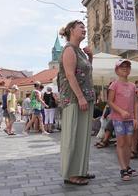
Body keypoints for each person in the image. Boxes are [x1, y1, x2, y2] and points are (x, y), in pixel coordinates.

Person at [58, 20, 95, 185]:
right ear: (71, 30)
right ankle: (71, 174)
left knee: (83, 136)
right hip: (74, 99)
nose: (84, 30)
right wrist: (80, 97)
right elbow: (70, 75)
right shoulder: (69, 50)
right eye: (81, 27)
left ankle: (81, 170)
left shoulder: (79, 51)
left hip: (85, 97)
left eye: (85, 28)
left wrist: (91, 57)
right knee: (72, 136)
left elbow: (85, 72)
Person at [108, 59, 138, 181]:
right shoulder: (114, 85)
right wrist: (121, 111)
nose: (125, 69)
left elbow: (136, 103)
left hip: (130, 119)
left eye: (127, 67)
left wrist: (136, 118)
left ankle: (128, 166)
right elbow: (110, 102)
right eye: (122, 67)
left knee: (129, 143)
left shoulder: (132, 86)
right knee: (121, 143)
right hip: (118, 118)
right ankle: (123, 169)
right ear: (117, 70)